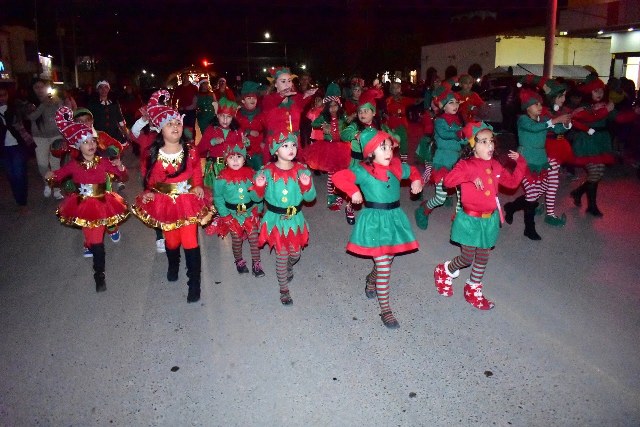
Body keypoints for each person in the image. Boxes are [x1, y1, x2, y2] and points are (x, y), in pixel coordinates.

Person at [333, 128, 423, 328]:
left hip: (394, 219)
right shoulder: (363, 171)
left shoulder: (396, 167)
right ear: (371, 152)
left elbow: (413, 171)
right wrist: (353, 191)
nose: (389, 152)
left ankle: (370, 279)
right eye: (383, 148)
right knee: (384, 267)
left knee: (386, 262)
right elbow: (339, 177)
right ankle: (386, 310)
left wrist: (417, 180)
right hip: (374, 222)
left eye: (390, 147)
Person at [434, 122, 527, 310]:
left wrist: (521, 163)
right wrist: (468, 177)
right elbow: (448, 181)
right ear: (472, 145)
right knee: (467, 258)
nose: (490, 145)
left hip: (489, 220)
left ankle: (472, 289)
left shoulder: (495, 165)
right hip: (469, 221)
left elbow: (511, 183)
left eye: (491, 141)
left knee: (483, 257)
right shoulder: (466, 165)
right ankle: (444, 271)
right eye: (483, 142)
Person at [131, 90, 212, 303]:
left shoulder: (190, 150)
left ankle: (194, 283)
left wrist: (198, 186)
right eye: (169, 124)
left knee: (190, 242)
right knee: (172, 241)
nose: (175, 127)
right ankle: (173, 264)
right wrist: (149, 192)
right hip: (165, 203)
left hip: (187, 201)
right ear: (160, 129)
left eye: (177, 123)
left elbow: (196, 171)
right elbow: (149, 178)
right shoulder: (153, 153)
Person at [46, 106, 129, 292]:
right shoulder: (74, 165)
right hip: (82, 205)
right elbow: (59, 175)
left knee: (97, 241)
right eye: (85, 142)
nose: (91, 144)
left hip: (101, 203)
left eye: (92, 141)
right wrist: (51, 176)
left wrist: (120, 166)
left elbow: (122, 175)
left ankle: (99, 274)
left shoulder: (104, 162)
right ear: (77, 146)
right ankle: (91, 247)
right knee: (89, 236)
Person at [253, 132, 316, 305]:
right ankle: (284, 290)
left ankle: (289, 265)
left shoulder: (302, 170)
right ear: (275, 150)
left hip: (295, 219)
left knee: (295, 254)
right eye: (285, 146)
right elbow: (256, 198)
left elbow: (310, 198)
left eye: (293, 145)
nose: (291, 149)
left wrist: (306, 185)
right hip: (275, 220)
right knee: (281, 255)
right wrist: (259, 186)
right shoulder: (266, 172)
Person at [503, 87, 571, 239]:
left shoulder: (543, 120)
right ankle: (529, 228)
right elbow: (534, 128)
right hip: (525, 160)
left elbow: (559, 129)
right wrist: (554, 120)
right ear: (527, 107)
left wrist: (566, 122)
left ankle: (511, 207)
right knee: (532, 194)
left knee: (541, 189)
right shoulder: (523, 119)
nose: (540, 107)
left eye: (540, 104)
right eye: (536, 104)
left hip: (540, 160)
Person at [569, 73, 639, 217]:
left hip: (601, 141)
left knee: (598, 173)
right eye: (595, 90)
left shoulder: (606, 105)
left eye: (601, 90)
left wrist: (635, 112)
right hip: (587, 141)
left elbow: (619, 118)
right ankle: (591, 206)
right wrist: (606, 109)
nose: (599, 93)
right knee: (595, 173)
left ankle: (578, 192)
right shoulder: (584, 106)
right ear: (589, 92)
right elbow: (586, 117)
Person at [414, 84, 467, 230]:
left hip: (457, 161)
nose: (455, 105)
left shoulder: (458, 120)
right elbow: (444, 134)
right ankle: (423, 210)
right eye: (451, 102)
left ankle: (458, 223)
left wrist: (470, 138)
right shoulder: (439, 121)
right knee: (440, 198)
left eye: (457, 102)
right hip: (442, 161)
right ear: (443, 106)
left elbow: (462, 140)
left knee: (462, 196)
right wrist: (460, 134)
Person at [209, 142, 265, 277]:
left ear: (244, 159)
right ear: (225, 160)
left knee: (254, 238)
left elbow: (258, 194)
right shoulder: (221, 178)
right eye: (231, 157)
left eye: (239, 156)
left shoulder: (251, 175)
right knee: (237, 239)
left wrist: (258, 209)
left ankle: (256, 263)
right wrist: (225, 215)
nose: (235, 160)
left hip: (249, 212)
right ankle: (239, 261)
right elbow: (218, 198)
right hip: (232, 214)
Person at [340, 84, 390, 225]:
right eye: (360, 111)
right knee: (354, 186)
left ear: (373, 113)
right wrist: (355, 134)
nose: (362, 114)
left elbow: (389, 135)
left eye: (366, 111)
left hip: (373, 163)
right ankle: (349, 207)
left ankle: (375, 211)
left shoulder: (379, 127)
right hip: (356, 162)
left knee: (373, 188)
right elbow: (344, 134)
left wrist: (393, 140)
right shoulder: (355, 126)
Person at [305, 82, 351, 210]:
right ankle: (331, 197)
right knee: (331, 174)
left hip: (342, 147)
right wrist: (322, 125)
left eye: (335, 105)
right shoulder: (323, 116)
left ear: (339, 105)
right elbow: (314, 124)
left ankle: (339, 193)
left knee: (341, 172)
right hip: (329, 148)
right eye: (330, 106)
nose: (333, 108)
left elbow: (348, 125)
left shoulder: (343, 115)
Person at [28, 78, 64, 199]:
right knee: (42, 164)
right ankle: (48, 184)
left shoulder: (54, 99)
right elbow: (32, 117)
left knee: (55, 163)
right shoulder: (30, 103)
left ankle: (57, 189)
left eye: (41, 87)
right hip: (39, 137)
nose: (39, 90)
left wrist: (58, 102)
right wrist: (43, 104)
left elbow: (63, 114)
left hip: (56, 136)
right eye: (36, 87)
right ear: (33, 89)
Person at [0, 86, 34, 213]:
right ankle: (18, 199)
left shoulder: (15, 108)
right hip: (3, 148)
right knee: (11, 176)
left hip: (17, 146)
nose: (2, 98)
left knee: (19, 174)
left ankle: (22, 202)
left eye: (4, 94)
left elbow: (30, 109)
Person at [199, 97, 245, 190]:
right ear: (217, 115)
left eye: (229, 117)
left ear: (233, 117)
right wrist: (211, 142)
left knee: (231, 191)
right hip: (214, 168)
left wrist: (245, 144)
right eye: (222, 116)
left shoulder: (237, 131)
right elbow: (199, 150)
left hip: (232, 167)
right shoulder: (211, 129)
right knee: (214, 192)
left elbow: (242, 151)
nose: (225, 120)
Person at [87, 80, 131, 145]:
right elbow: (89, 120)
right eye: (101, 87)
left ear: (109, 89)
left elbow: (120, 119)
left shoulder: (114, 103)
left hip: (115, 134)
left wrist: (126, 133)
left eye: (106, 87)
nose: (103, 90)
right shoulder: (93, 104)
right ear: (97, 90)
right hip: (99, 135)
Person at [236, 81, 266, 171]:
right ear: (243, 101)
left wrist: (264, 142)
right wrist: (248, 131)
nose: (252, 100)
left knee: (260, 173)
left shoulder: (261, 114)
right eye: (249, 98)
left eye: (254, 98)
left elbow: (268, 129)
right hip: (243, 152)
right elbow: (235, 131)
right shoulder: (238, 115)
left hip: (258, 152)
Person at [385, 82, 418, 163]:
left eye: (398, 87)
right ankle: (388, 159)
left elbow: (416, 101)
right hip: (391, 123)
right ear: (391, 89)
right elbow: (384, 111)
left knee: (403, 142)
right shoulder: (388, 100)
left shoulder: (404, 99)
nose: (396, 89)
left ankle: (403, 162)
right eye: (394, 87)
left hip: (402, 123)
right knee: (390, 142)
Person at [171, 73, 198, 138]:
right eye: (183, 77)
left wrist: (195, 106)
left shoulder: (194, 87)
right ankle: (184, 141)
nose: (185, 78)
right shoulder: (178, 88)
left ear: (188, 78)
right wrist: (174, 106)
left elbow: (197, 98)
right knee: (182, 126)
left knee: (191, 126)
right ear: (181, 78)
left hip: (191, 111)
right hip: (181, 110)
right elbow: (174, 98)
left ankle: (191, 141)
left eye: (186, 77)